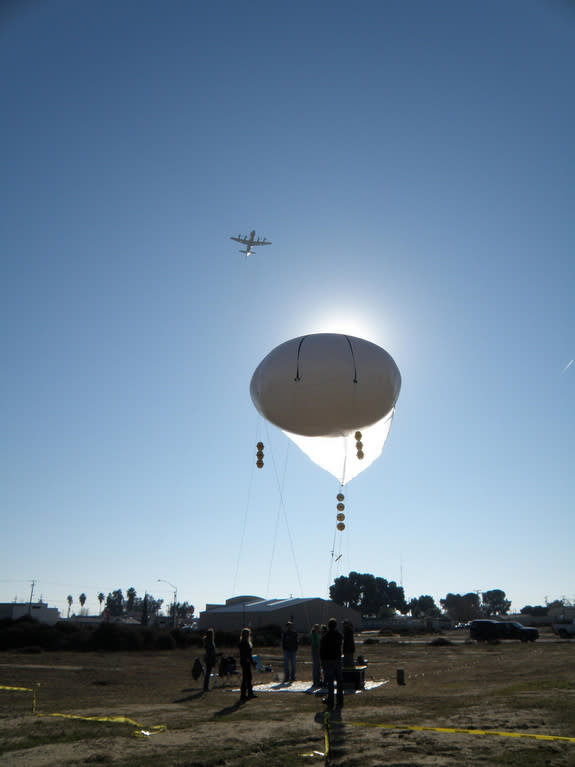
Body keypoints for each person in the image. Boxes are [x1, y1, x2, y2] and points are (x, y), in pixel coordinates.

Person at [320, 617, 344, 709]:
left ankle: (330, 699)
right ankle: (340, 699)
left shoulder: (325, 637)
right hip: (337, 659)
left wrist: (322, 661)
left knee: (330, 681)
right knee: (339, 681)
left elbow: (321, 651)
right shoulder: (339, 635)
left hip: (328, 660)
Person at [239, 627, 257, 701]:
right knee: (246, 678)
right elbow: (245, 654)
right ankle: (243, 694)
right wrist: (249, 661)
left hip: (247, 661)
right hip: (245, 661)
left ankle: (249, 692)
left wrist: (252, 662)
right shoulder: (243, 643)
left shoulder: (245, 643)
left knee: (248, 677)